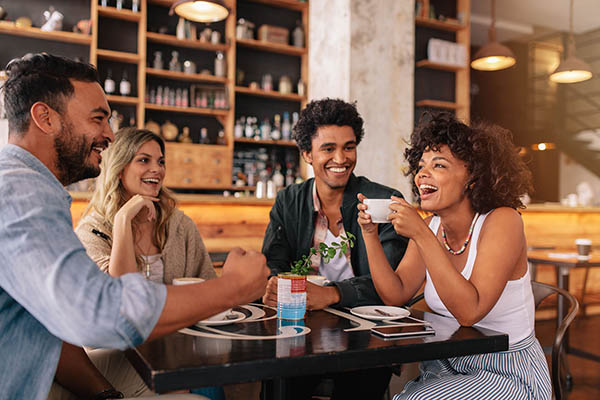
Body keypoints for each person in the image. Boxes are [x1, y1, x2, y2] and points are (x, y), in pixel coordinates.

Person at [0, 53, 269, 400]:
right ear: (45, 118)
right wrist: (235, 287)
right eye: (98, 119)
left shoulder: (29, 187)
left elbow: (48, 325)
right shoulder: (21, 191)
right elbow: (98, 315)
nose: (109, 134)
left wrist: (105, 394)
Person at [357, 112, 552, 400]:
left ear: (472, 176)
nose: (423, 174)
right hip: (446, 364)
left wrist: (421, 236)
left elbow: (469, 311)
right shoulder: (431, 226)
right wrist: (370, 235)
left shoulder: (502, 221)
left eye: (439, 165)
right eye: (421, 166)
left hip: (508, 373)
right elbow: (395, 295)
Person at [261, 98, 409, 399]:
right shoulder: (288, 201)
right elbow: (274, 263)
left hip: (368, 332)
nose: (340, 158)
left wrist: (332, 294)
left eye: (349, 147)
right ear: (307, 154)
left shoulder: (384, 202)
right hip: (300, 329)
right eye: (328, 148)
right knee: (279, 383)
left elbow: (393, 282)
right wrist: (275, 285)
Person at [76, 127, 216, 284]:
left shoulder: (181, 226)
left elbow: (209, 287)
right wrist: (123, 219)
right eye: (144, 160)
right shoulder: (91, 233)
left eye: (161, 162)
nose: (157, 169)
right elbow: (118, 294)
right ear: (119, 169)